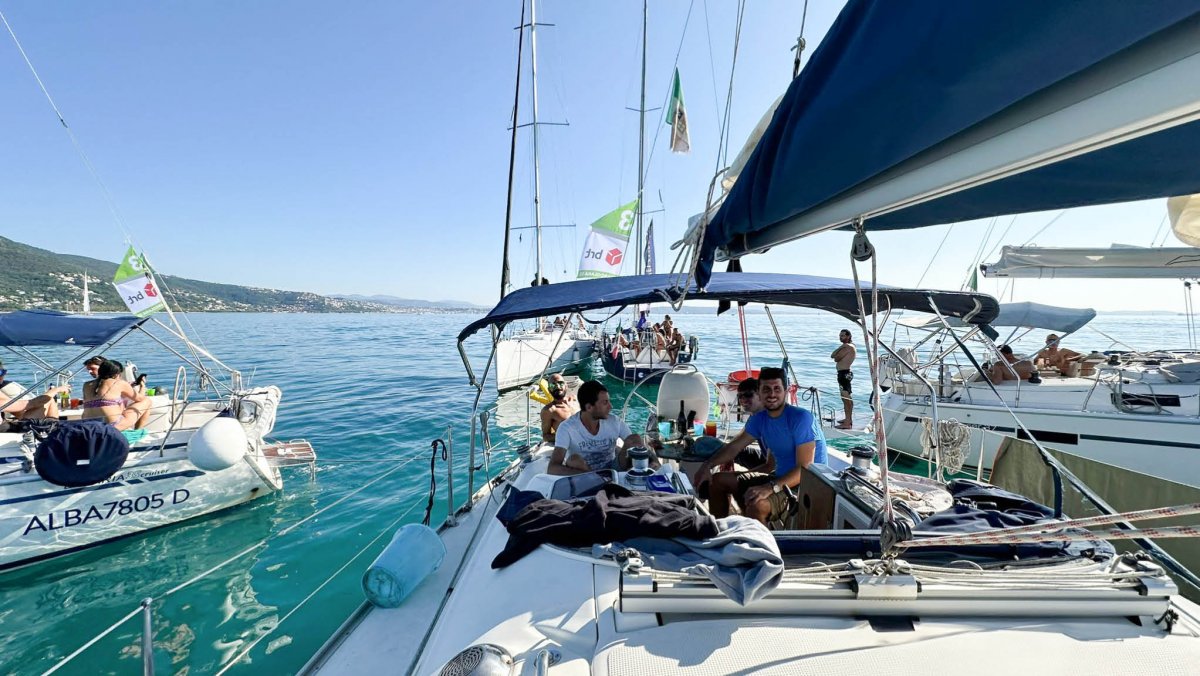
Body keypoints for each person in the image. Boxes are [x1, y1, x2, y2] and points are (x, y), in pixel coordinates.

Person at [691, 368, 827, 526]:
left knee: (757, 504)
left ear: (786, 391)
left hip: (805, 485)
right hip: (778, 479)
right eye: (766, 389)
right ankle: (720, 533)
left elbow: (804, 469)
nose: (772, 394)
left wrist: (769, 488)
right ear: (760, 392)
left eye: (777, 389)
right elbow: (734, 448)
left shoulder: (800, 418)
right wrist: (707, 466)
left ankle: (758, 548)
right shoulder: (760, 420)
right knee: (717, 481)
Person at [549, 380, 655, 475]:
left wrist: (654, 462)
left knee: (634, 438)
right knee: (573, 460)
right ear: (589, 407)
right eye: (605, 402)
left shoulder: (614, 422)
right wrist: (593, 476)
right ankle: (598, 480)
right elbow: (553, 468)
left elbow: (637, 444)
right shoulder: (567, 428)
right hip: (585, 473)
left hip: (614, 469)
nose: (611, 406)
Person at [82, 359, 151, 441]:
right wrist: (142, 386)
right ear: (117, 374)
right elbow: (140, 398)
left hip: (89, 427)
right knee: (147, 401)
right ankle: (137, 433)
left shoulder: (86, 385)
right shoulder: (119, 383)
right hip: (111, 427)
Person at [0, 359, 69, 426]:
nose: (2, 376)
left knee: (48, 400)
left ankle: (53, 428)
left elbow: (19, 412)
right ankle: (54, 429)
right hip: (4, 430)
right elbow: (29, 404)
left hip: (8, 425)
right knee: (48, 399)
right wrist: (55, 391)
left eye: (3, 372)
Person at [540, 374, 579, 443]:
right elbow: (546, 436)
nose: (557, 387)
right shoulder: (549, 410)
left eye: (560, 383)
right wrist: (567, 436)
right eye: (553, 385)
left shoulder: (575, 400)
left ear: (566, 386)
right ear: (549, 390)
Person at [831, 329, 856, 429]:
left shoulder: (848, 347)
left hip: (844, 374)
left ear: (848, 336)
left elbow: (836, 358)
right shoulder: (846, 346)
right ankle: (848, 419)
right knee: (847, 398)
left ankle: (847, 422)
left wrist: (841, 348)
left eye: (843, 336)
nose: (840, 337)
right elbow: (833, 355)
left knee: (846, 399)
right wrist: (841, 346)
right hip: (845, 373)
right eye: (840, 336)